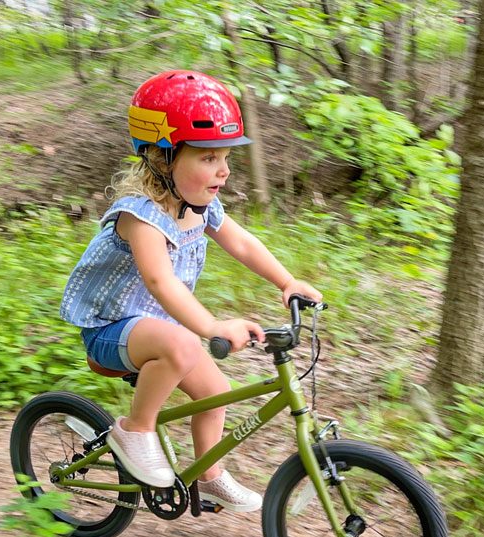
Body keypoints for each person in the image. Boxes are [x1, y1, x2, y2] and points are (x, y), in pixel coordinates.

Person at [60, 70, 321, 512]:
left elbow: (241, 243)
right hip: (109, 332)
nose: (223, 170)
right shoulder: (140, 216)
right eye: (207, 157)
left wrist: (287, 281)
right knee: (183, 343)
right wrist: (212, 326)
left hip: (156, 332)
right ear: (163, 159)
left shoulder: (201, 206)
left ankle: (209, 475)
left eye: (226, 157)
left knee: (215, 390)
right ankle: (135, 429)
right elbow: (159, 281)